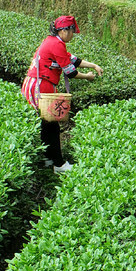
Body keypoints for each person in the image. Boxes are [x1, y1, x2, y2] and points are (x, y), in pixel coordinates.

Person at [21, 16, 102, 173]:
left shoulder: (52, 41)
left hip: (35, 84)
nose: (73, 35)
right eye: (72, 31)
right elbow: (71, 72)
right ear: (64, 31)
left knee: (46, 123)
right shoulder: (57, 44)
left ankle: (47, 159)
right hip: (41, 86)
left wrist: (93, 65)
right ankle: (59, 164)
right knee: (52, 125)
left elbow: (72, 59)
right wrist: (87, 76)